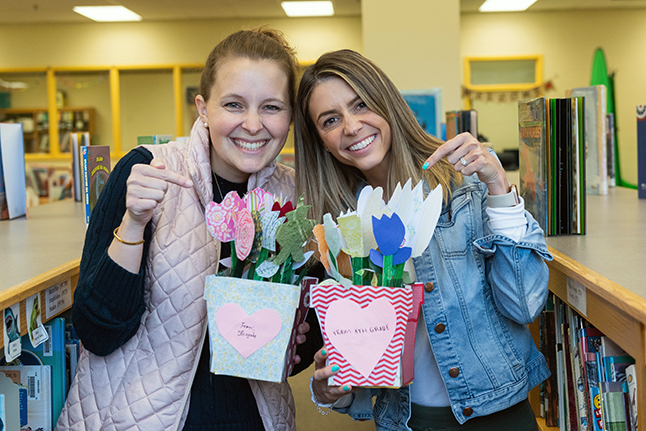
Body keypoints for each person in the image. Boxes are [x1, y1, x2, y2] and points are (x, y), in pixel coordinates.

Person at [57, 28, 322, 431]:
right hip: (137, 419)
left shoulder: (297, 197)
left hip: (257, 420)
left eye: (271, 107)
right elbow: (97, 331)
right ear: (203, 108)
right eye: (234, 104)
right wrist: (134, 221)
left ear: (290, 117)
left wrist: (295, 339)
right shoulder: (149, 171)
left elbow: (302, 345)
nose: (252, 124)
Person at [294, 49, 553, 431]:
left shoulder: (465, 184)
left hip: (498, 414)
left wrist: (498, 185)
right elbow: (363, 367)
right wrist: (333, 391)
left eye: (361, 104)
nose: (350, 126)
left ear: (387, 103)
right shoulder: (337, 230)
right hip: (408, 421)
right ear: (321, 140)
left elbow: (524, 304)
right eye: (330, 120)